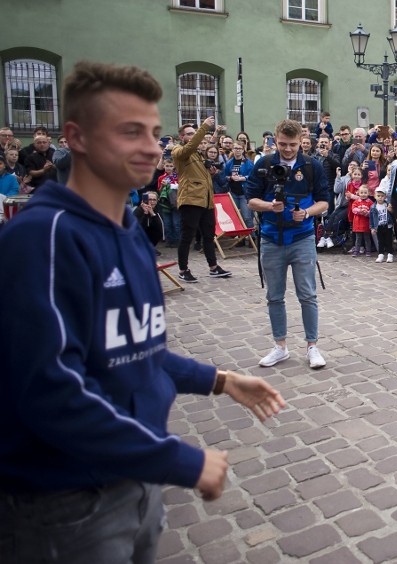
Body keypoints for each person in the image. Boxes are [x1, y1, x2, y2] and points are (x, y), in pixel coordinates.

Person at [0, 60, 285, 563]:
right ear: (77, 137)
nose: (152, 147)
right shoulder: (40, 238)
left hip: (136, 481)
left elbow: (135, 349)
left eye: (154, 132)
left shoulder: (128, 228)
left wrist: (220, 380)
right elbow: (50, 393)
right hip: (65, 502)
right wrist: (179, 459)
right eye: (131, 132)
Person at [246, 119, 330, 369]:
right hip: (272, 238)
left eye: (293, 145)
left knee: (308, 295)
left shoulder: (311, 165)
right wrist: (269, 206)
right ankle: (280, 347)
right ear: (275, 139)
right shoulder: (264, 163)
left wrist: (306, 213)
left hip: (302, 238)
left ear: (300, 142)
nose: (288, 149)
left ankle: (312, 346)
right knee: (274, 296)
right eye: (282, 144)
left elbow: (324, 202)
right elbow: (251, 199)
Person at [171, 119, 231, 282]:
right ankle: (183, 270)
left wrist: (210, 172)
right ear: (182, 137)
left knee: (209, 235)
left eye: (194, 133)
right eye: (189, 134)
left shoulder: (198, 154)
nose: (193, 136)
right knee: (187, 235)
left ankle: (213, 267)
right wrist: (204, 127)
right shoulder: (178, 150)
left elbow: (198, 173)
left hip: (205, 199)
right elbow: (189, 148)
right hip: (190, 199)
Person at [370, 184, 395, 263]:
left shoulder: (387, 205)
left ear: (385, 196)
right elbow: (371, 218)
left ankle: (390, 255)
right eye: (378, 196)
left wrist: (391, 210)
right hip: (379, 226)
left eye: (382, 196)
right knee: (380, 241)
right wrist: (372, 227)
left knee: (389, 241)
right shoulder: (373, 207)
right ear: (375, 196)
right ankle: (380, 255)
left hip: (388, 225)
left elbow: (393, 214)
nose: (380, 197)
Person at [350, 185, 373, 257]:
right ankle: (356, 251)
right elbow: (353, 209)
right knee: (358, 238)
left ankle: (368, 250)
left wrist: (367, 213)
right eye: (362, 192)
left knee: (367, 238)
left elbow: (372, 212)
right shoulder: (356, 202)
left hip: (366, 223)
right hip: (358, 224)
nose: (363, 194)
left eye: (365, 192)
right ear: (358, 193)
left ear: (368, 193)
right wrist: (360, 211)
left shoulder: (370, 202)